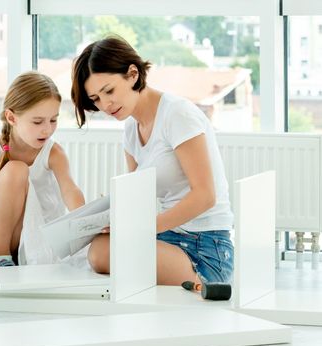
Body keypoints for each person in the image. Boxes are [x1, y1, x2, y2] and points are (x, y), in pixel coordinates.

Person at [71, 36, 234, 285]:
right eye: (95, 99)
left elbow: (205, 195)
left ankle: (203, 280)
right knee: (99, 250)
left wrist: (143, 228)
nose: (105, 105)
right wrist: (108, 217)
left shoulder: (177, 114)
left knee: (104, 255)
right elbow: (140, 197)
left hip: (205, 244)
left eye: (109, 91)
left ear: (133, 74)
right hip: (167, 236)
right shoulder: (130, 130)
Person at [0, 71, 85, 268]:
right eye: (37, 121)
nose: (47, 129)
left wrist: (87, 221)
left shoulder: (54, 153)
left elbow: (70, 191)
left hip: (35, 239)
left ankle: (15, 259)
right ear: (11, 118)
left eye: (53, 120)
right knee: (16, 170)